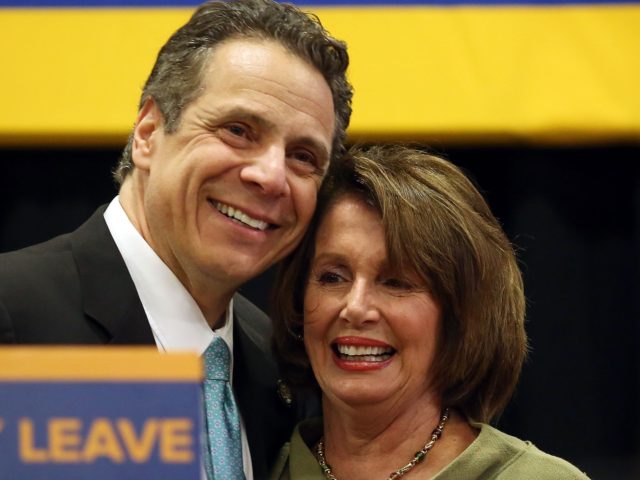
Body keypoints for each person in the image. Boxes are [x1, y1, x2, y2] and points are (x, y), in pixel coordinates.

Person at [0, 0, 352, 478]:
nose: (271, 177)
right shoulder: (12, 317)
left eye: (304, 157)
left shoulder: (281, 367)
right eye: (238, 130)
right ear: (148, 132)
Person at [270, 144, 589, 479]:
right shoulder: (252, 464)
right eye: (332, 277)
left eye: (396, 282)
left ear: (460, 315)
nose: (356, 307)